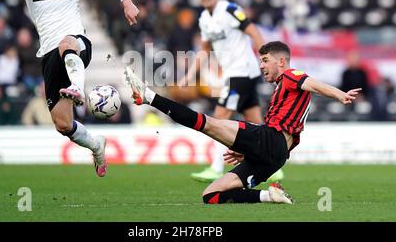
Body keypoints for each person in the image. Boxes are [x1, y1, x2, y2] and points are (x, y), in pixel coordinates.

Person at [124, 41, 361, 204]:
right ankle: (270, 196)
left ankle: (149, 96)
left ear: (281, 61)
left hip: (270, 140)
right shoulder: (283, 87)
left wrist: (340, 94)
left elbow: (313, 83)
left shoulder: (290, 75)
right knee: (211, 195)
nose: (261, 66)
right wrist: (248, 150)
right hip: (274, 155)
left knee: (207, 124)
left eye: (266, 60)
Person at [0, 0, 139, 177]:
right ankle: (96, 145)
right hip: (49, 55)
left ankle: (77, 87)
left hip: (77, 44)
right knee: (63, 124)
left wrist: (126, 0)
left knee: (66, 43)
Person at [181, 0, 284, 183]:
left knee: (219, 119)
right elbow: (204, 50)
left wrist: (267, 61)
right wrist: (189, 75)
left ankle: (216, 167)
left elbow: (253, 32)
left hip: (242, 72)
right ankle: (274, 165)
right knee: (256, 121)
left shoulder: (229, 10)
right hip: (234, 74)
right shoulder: (204, 19)